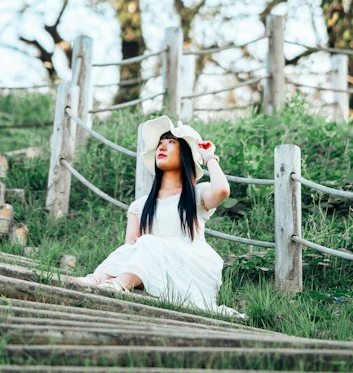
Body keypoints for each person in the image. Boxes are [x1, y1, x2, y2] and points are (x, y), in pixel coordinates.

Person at [75, 114, 237, 314]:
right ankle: (96, 279)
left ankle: (119, 284)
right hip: (151, 270)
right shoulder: (141, 206)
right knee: (139, 245)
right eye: (160, 142)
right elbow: (130, 249)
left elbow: (222, 191)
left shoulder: (196, 195)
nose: (162, 146)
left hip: (190, 270)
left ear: (186, 155)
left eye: (171, 142)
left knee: (149, 242)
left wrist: (209, 156)